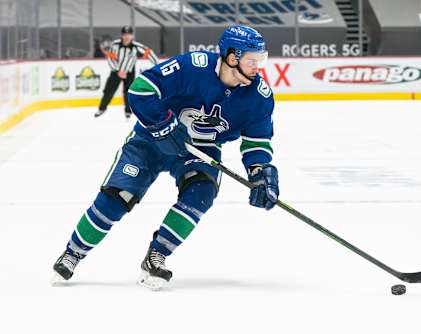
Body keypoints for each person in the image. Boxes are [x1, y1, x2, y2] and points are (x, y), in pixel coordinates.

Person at [52, 25, 280, 291]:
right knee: (118, 197)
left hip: (201, 150)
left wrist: (259, 172)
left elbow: (257, 141)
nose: (257, 67)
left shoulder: (259, 97)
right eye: (252, 60)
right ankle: (74, 252)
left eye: (260, 59)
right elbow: (140, 89)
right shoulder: (192, 66)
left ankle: (156, 255)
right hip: (150, 140)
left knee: (201, 192)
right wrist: (163, 126)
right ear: (232, 57)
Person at [95, 26, 159, 119]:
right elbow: (110, 58)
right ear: (122, 35)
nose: (127, 37)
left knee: (128, 92)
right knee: (109, 90)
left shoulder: (136, 46)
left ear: (132, 36)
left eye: (129, 34)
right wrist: (118, 70)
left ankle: (128, 111)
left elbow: (149, 53)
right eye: (125, 34)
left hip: (129, 72)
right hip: (116, 71)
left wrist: (158, 65)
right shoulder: (115, 44)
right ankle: (102, 108)